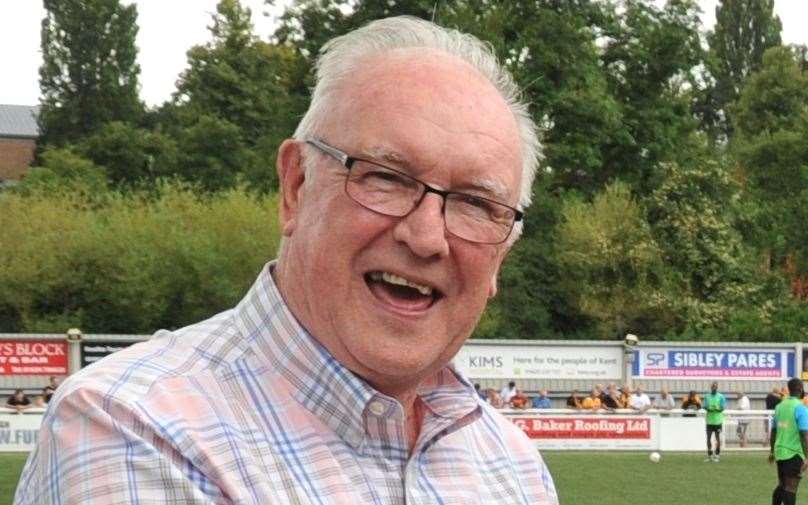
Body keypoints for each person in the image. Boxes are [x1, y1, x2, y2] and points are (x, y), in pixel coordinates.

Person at [15, 17, 557, 504]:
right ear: (295, 186)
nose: (426, 237)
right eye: (386, 178)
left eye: (475, 204)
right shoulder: (130, 426)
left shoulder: (512, 465)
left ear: (501, 256)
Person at [769, 378, 808, 505]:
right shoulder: (801, 408)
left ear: (789, 389)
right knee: (791, 488)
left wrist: (771, 451)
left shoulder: (779, 406)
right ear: (801, 389)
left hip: (780, 452)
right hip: (794, 453)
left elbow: (773, 431)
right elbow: (804, 435)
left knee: (782, 485)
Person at [704, 381, 726, 462]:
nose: (714, 388)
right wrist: (708, 408)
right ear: (711, 387)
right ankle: (709, 456)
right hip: (709, 421)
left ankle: (717, 455)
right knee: (708, 438)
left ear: (717, 388)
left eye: (715, 387)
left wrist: (717, 409)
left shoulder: (721, 397)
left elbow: (723, 407)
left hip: (717, 421)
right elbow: (704, 406)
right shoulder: (707, 396)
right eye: (713, 387)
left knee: (717, 439)